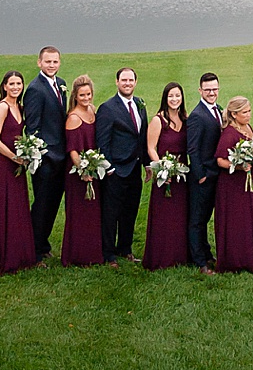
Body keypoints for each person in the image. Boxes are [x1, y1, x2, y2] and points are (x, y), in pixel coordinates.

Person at [212, 97, 253, 273]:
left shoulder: (247, 127)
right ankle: (239, 259)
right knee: (239, 221)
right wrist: (239, 166)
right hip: (235, 186)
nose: (249, 115)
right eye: (245, 112)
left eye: (249, 111)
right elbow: (220, 160)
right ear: (234, 114)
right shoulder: (229, 134)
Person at [0, 70, 37, 273]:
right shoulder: (3, 107)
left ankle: (20, 253)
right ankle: (3, 256)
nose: (15, 87)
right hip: (3, 163)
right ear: (4, 86)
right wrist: (14, 157)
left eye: (19, 84)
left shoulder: (19, 107)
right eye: (12, 84)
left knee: (17, 207)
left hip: (18, 163)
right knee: (5, 206)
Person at [94, 66, 148, 261]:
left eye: (131, 80)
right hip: (115, 170)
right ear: (117, 82)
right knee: (111, 214)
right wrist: (109, 167)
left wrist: (147, 164)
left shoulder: (140, 104)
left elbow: (142, 136)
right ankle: (108, 254)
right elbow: (102, 140)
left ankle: (125, 249)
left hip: (135, 168)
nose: (127, 83)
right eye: (124, 80)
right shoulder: (107, 108)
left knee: (130, 211)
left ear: (135, 82)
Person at [21, 46, 68, 262]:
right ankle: (34, 250)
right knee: (42, 205)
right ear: (39, 63)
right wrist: (44, 154)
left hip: (61, 157)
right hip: (46, 160)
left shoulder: (60, 84)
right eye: (48, 62)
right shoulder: (35, 89)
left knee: (52, 205)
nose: (51, 65)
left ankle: (42, 242)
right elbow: (32, 128)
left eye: (55, 62)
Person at [142, 82, 191, 269]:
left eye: (178, 95)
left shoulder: (184, 119)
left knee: (180, 216)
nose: (174, 99)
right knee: (164, 217)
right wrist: (163, 168)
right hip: (165, 175)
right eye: (171, 96)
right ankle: (162, 257)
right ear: (165, 98)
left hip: (182, 175)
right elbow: (151, 147)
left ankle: (180, 255)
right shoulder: (158, 120)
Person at [59, 73, 103, 267]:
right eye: (82, 95)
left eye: (89, 94)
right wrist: (83, 170)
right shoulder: (73, 118)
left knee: (93, 213)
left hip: (94, 169)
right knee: (79, 213)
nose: (86, 98)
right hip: (78, 174)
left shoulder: (93, 110)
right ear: (75, 96)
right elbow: (72, 150)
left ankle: (93, 253)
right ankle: (77, 255)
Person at [186, 72, 223, 271]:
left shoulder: (219, 110)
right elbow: (192, 149)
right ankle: (199, 261)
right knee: (198, 220)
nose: (211, 93)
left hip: (217, 174)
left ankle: (207, 253)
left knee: (207, 217)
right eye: (207, 90)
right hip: (204, 177)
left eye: (214, 89)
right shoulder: (197, 116)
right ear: (200, 90)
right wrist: (200, 175)